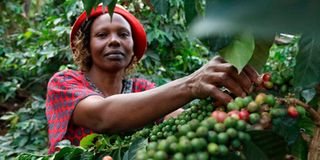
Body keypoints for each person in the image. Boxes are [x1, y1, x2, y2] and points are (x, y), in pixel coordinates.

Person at [45, 4, 260, 154]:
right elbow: (102, 117)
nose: (114, 41)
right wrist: (192, 83)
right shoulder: (64, 83)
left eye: (123, 34)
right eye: (102, 35)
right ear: (87, 47)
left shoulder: (142, 88)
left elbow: (187, 122)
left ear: (132, 48)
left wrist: (247, 108)